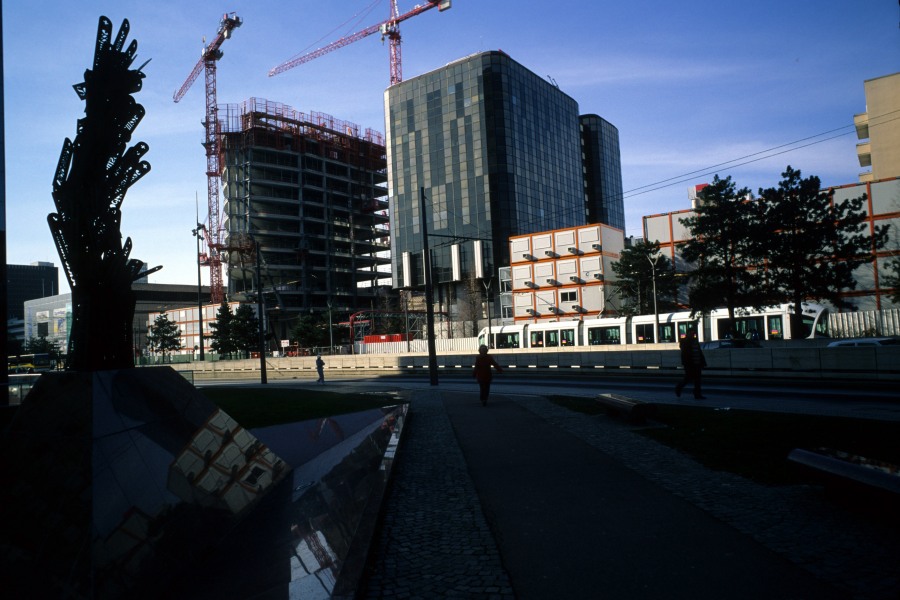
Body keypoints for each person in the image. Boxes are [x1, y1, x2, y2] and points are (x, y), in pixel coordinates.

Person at [675, 328, 707, 400]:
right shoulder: (685, 341)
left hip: (697, 363)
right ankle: (679, 388)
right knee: (688, 379)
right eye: (692, 334)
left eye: (694, 334)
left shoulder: (694, 341)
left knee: (697, 380)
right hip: (690, 364)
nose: (693, 335)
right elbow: (685, 354)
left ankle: (697, 394)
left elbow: (699, 352)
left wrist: (702, 362)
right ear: (688, 333)